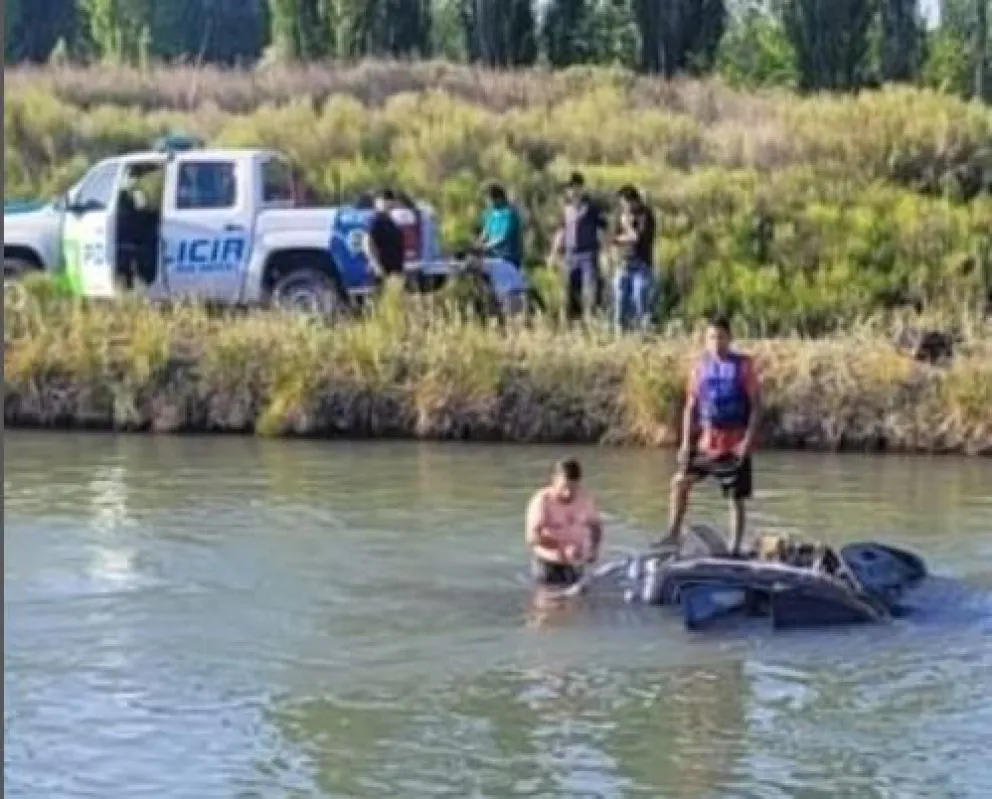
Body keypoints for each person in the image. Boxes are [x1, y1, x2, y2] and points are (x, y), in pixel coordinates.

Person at [655, 315, 761, 556]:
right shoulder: (700, 367)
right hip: (707, 443)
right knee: (679, 482)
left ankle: (735, 547)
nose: (716, 343)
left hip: (735, 444)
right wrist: (685, 443)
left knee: (735, 498)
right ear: (705, 340)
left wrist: (748, 440)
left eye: (721, 337)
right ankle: (673, 535)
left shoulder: (743, 366)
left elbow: (757, 406)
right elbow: (690, 407)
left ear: (729, 338)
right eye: (712, 338)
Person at [525, 458, 604, 587]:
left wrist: (594, 550)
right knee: (549, 598)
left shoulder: (586, 499)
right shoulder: (542, 501)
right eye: (564, 487)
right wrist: (561, 547)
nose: (568, 493)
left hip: (576, 562)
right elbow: (532, 537)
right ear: (554, 480)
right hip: (548, 564)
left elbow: (596, 527)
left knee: (579, 597)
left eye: (573, 488)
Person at [550, 172, 608, 322]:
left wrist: (605, 255)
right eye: (569, 188)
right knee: (571, 292)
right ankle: (574, 324)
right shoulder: (566, 209)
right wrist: (553, 253)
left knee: (590, 291)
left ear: (581, 188)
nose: (571, 191)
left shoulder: (592, 209)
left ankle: (592, 321)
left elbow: (603, 231)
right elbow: (561, 231)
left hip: (588, 254)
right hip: (570, 255)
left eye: (574, 187)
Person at [611, 185, 656, 332]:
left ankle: (643, 330)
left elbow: (638, 238)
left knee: (640, 296)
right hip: (624, 262)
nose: (623, 206)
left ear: (633, 200)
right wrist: (624, 237)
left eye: (625, 202)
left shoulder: (645, 215)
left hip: (641, 263)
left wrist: (627, 226)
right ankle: (621, 330)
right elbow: (613, 237)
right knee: (620, 298)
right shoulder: (621, 214)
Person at [363, 188, 406, 286]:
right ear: (377, 202)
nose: (388, 204)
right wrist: (376, 266)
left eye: (390, 201)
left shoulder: (391, 222)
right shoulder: (374, 220)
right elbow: (367, 244)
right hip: (381, 271)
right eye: (384, 201)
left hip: (395, 271)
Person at [477, 182, 524, 269]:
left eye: (488, 199)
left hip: (508, 259)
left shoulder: (510, 214)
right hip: (492, 257)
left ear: (498, 198)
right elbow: (485, 234)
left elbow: (504, 237)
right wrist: (476, 246)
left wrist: (486, 246)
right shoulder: (489, 214)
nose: (487, 202)